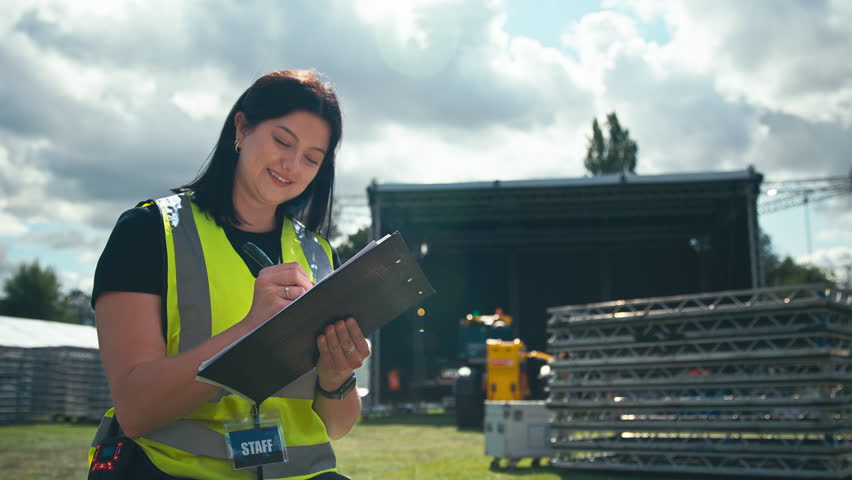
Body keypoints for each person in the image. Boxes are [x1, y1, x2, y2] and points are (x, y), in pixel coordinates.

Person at [89, 69, 368, 479]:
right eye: (282, 141)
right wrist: (251, 332)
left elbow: (337, 426)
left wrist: (336, 377)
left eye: (312, 158)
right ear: (241, 127)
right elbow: (135, 411)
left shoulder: (321, 255)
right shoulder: (149, 233)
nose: (292, 165)